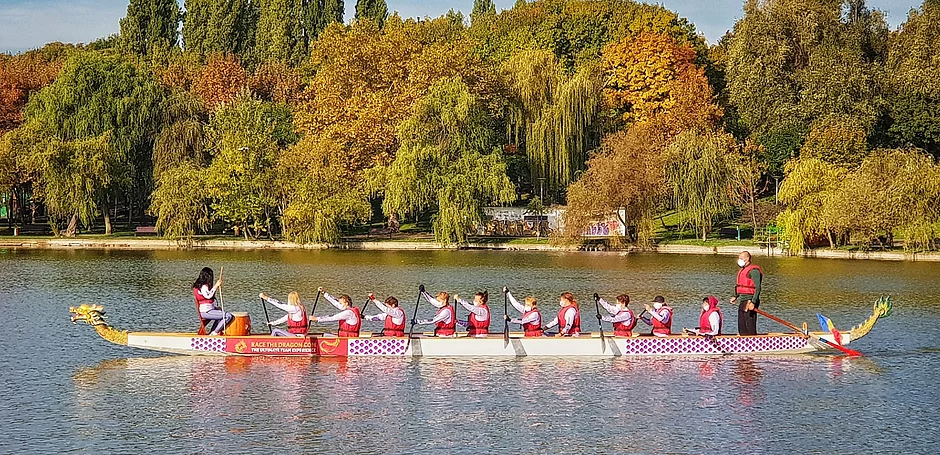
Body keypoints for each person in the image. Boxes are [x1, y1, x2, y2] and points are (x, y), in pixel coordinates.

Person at [193, 267, 232, 335]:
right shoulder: (203, 287)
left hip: (208, 310)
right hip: (206, 311)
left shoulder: (202, 286)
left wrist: (216, 308)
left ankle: (212, 331)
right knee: (228, 316)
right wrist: (216, 286)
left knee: (219, 310)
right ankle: (215, 332)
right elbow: (208, 296)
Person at [731, 251, 763, 335]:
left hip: (750, 300)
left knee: (749, 323)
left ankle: (752, 339)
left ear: (747, 259)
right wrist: (735, 296)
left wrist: (753, 302)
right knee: (741, 324)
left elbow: (758, 288)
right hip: (743, 300)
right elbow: (740, 285)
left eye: (741, 258)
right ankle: (743, 338)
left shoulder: (754, 271)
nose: (739, 260)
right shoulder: (743, 270)